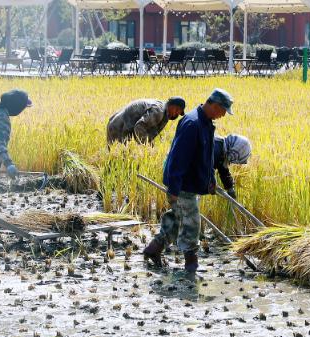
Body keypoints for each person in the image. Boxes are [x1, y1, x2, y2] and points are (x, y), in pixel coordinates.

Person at [143, 89, 233, 272]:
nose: (224, 115)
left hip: (190, 183)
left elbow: (206, 157)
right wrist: (174, 189)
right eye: (224, 111)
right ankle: (191, 264)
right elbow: (178, 158)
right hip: (183, 185)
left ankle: (153, 249)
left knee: (176, 219)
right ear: (215, 106)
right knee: (192, 222)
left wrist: (210, 179)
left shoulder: (206, 123)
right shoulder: (192, 123)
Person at [106, 97, 186, 145]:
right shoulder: (159, 111)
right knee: (119, 163)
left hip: (117, 124)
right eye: (176, 109)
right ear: (170, 105)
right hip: (118, 128)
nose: (176, 114)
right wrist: (146, 147)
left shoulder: (163, 111)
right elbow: (139, 127)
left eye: (178, 113)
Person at [214, 134, 252, 199]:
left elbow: (224, 171)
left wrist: (230, 188)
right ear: (236, 150)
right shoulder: (215, 147)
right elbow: (203, 169)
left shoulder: (223, 150)